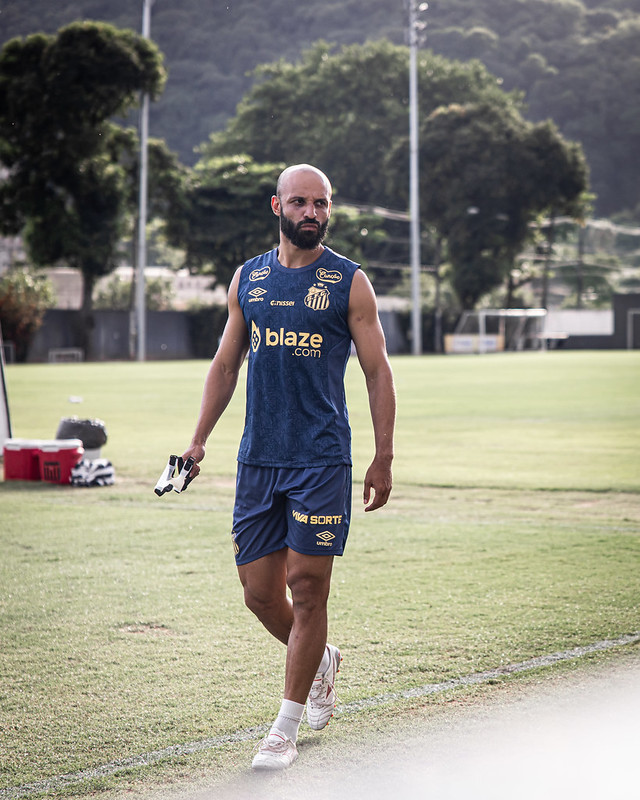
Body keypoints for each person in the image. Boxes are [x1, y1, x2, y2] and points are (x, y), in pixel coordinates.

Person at [181, 164, 396, 771]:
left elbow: (377, 372)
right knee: (258, 594)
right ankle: (323, 661)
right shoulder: (247, 279)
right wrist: (198, 441)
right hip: (259, 459)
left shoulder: (349, 282)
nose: (311, 213)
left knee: (307, 589)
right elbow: (226, 366)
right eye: (300, 202)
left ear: (330, 208)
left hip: (321, 459)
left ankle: (285, 725)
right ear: (276, 205)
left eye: (321, 204)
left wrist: (382, 455)